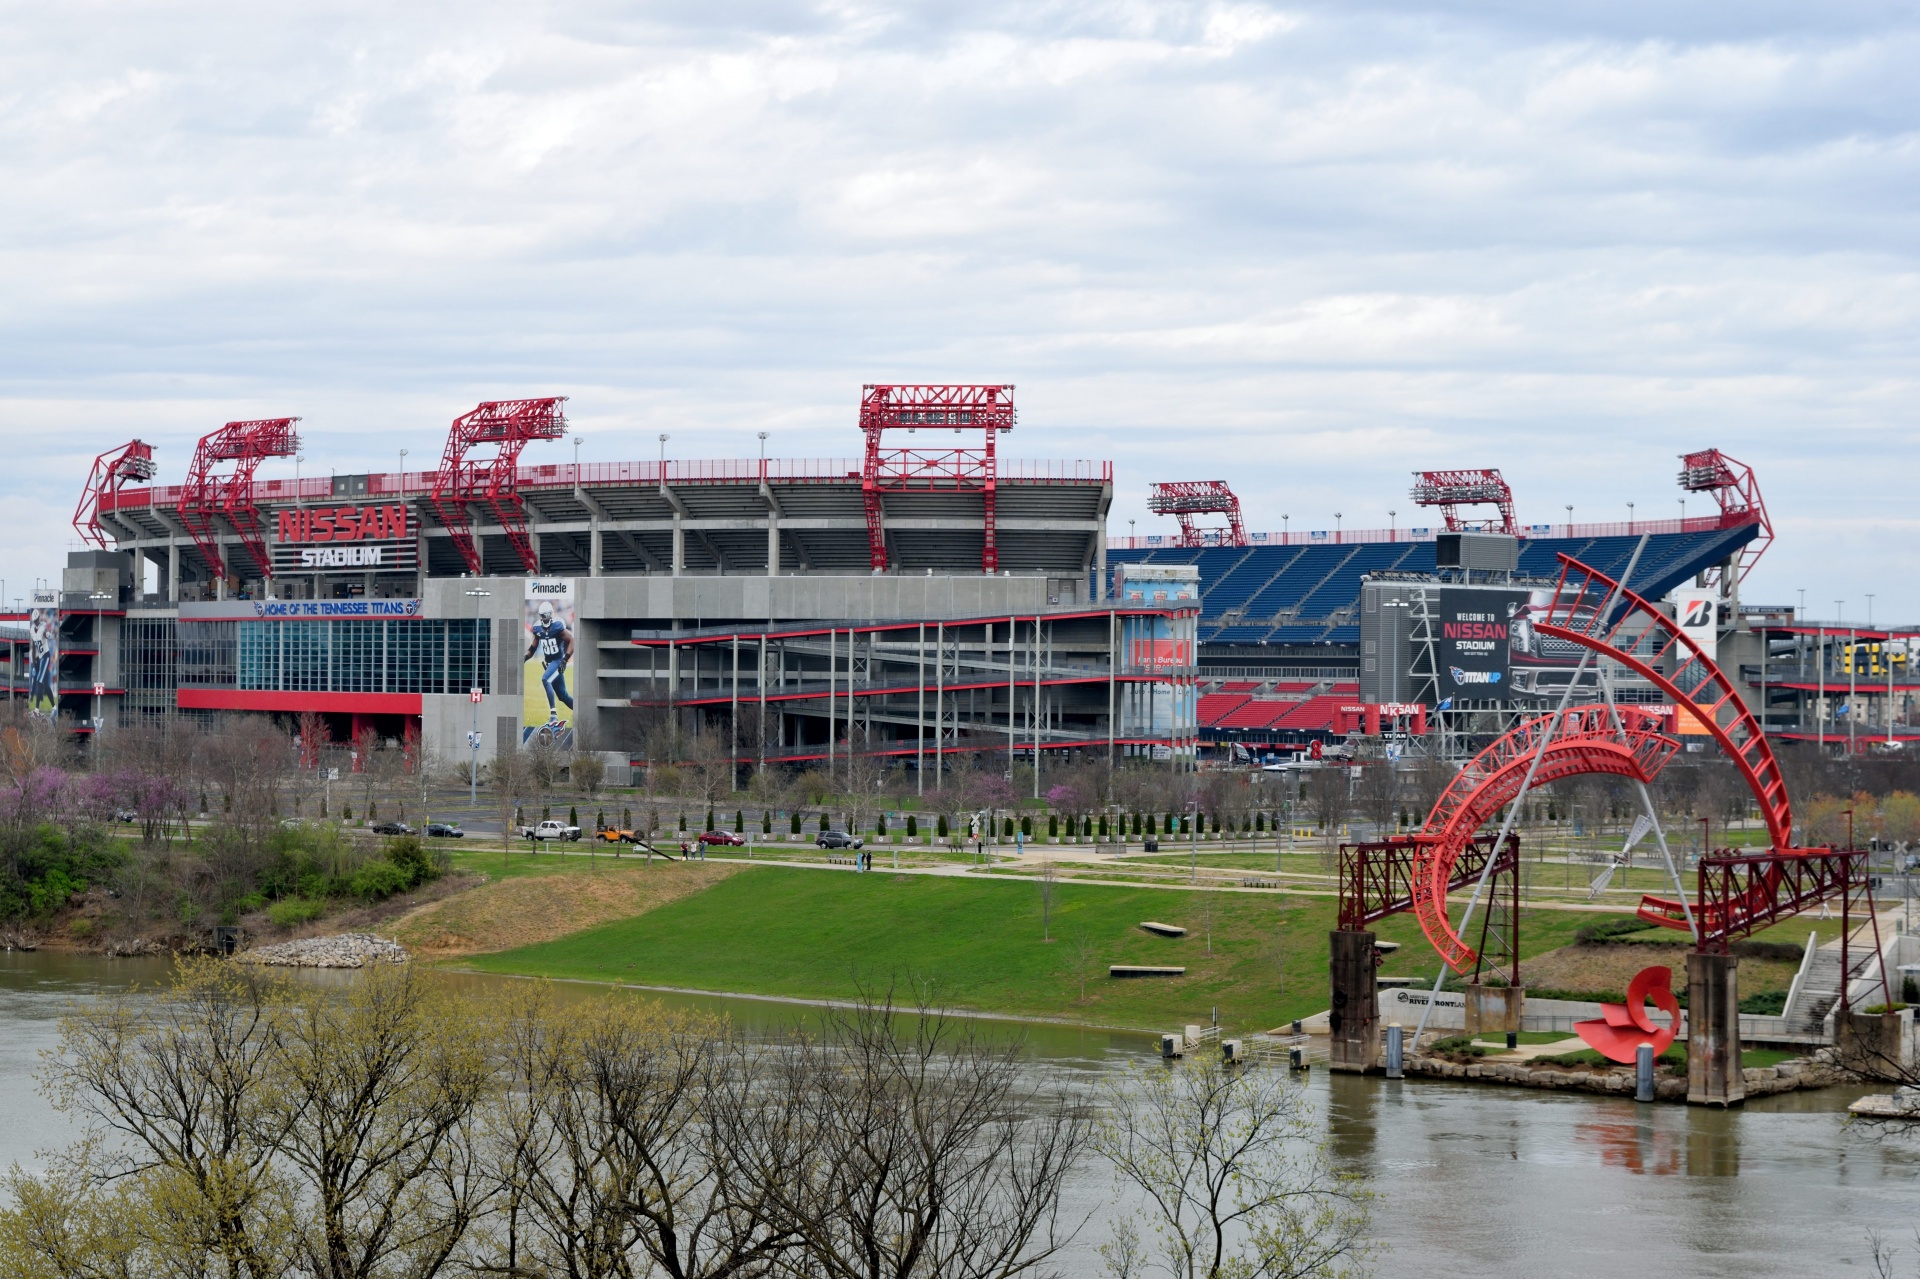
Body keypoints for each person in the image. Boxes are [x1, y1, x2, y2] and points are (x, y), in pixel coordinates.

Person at [523, 600, 575, 731]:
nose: (545, 618)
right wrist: (524, 658)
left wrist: (565, 660)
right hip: (549, 663)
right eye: (543, 616)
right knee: (563, 696)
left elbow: (572, 640)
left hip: (558, 661)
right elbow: (533, 648)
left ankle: (553, 715)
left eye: (547, 615)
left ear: (551, 615)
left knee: (545, 679)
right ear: (540, 616)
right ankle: (584, 711)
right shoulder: (538, 629)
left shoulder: (558, 627)